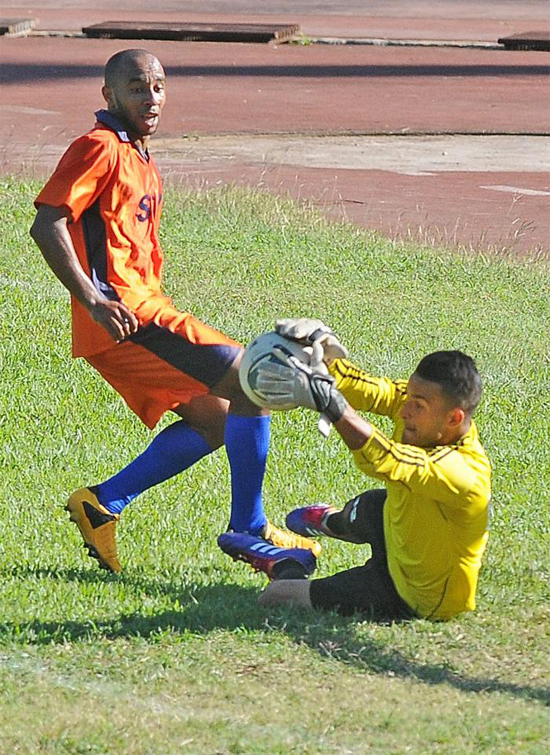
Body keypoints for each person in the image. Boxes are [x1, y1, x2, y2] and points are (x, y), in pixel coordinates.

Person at [29, 49, 321, 573]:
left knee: (217, 418)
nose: (151, 98)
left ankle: (103, 503)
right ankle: (249, 530)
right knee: (251, 378)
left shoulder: (141, 157)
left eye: (159, 87)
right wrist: (94, 300)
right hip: (126, 317)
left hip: (146, 311)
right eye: (138, 88)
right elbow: (47, 223)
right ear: (109, 95)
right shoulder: (98, 147)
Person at [219, 324, 492, 622]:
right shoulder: (424, 412)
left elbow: (387, 460)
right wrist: (318, 357)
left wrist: (336, 409)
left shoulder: (464, 474)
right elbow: (369, 389)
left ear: (454, 418)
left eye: (418, 405)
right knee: (374, 505)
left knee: (276, 598)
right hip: (399, 534)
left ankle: (286, 561)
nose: (404, 411)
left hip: (409, 595)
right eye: (409, 398)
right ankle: (333, 521)